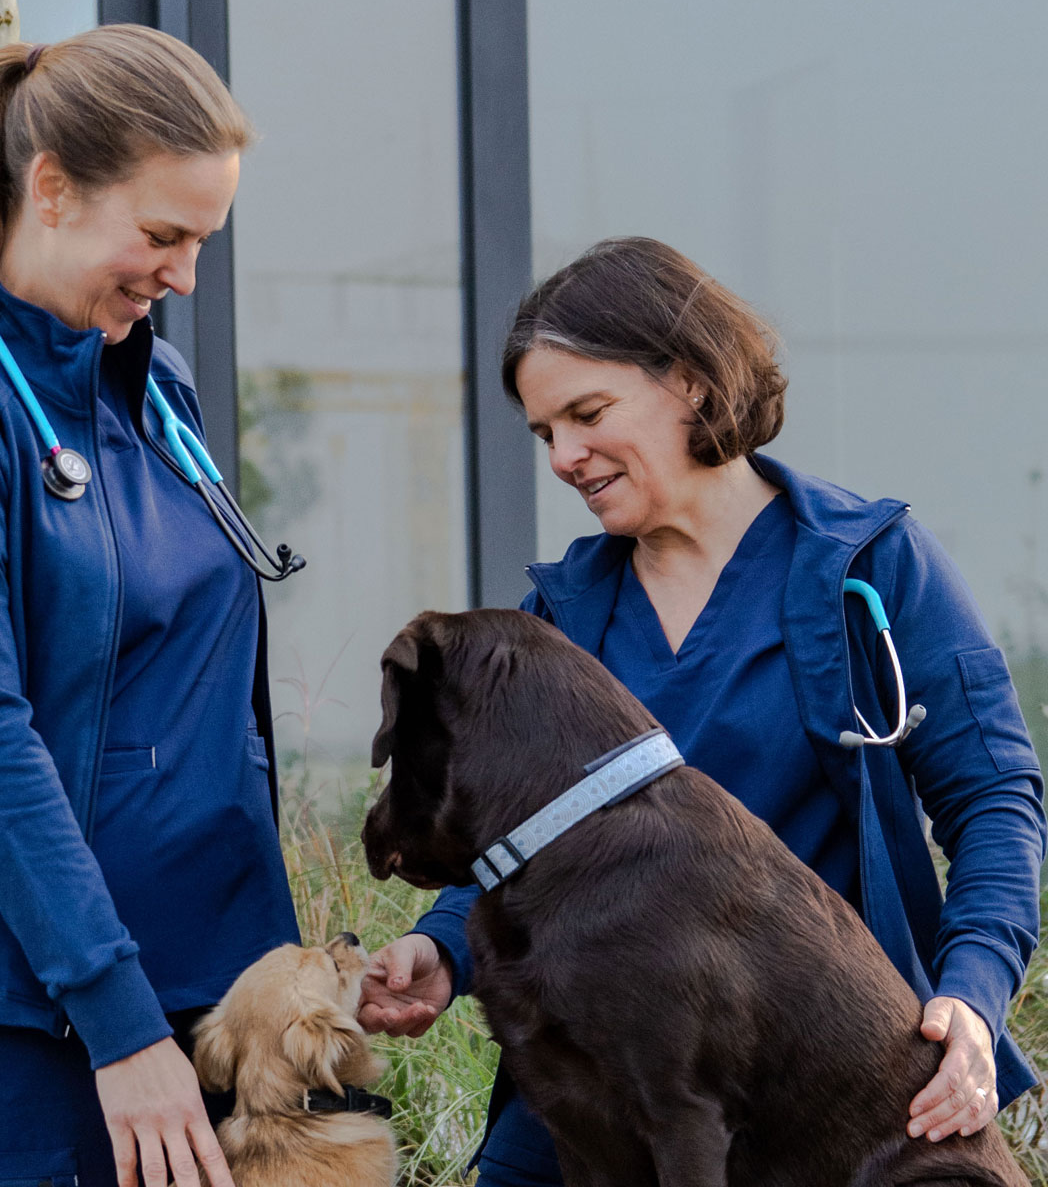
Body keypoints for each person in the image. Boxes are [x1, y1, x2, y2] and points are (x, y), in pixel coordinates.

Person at [358, 237, 1046, 1185]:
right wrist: (441, 950)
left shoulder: (871, 570)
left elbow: (997, 804)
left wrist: (970, 997)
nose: (564, 456)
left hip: (822, 1116)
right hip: (605, 1103)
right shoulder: (556, 624)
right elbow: (518, 847)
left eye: (587, 414)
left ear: (688, 381)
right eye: (543, 432)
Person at [0, 26, 303, 1187]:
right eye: (163, 235)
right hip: (40, 1014)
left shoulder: (161, 386)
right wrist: (120, 1022)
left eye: (203, 240)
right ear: (49, 188)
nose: (186, 275)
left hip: (217, 987)